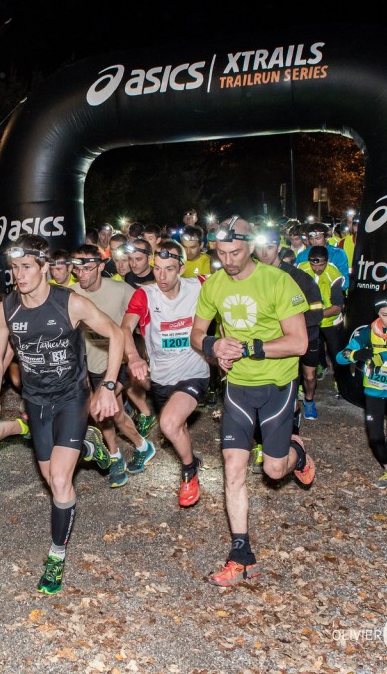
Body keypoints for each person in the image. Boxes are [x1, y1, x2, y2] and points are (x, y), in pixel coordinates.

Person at [0, 235, 127, 595]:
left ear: (45, 267)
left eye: (27, 267)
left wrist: (108, 385)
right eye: (15, 268)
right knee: (52, 479)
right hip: (35, 401)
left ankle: (55, 556)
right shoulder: (7, 308)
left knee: (61, 483)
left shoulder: (70, 303)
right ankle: (90, 450)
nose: (20, 275)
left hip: (71, 397)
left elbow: (115, 334)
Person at [190, 217, 315, 587]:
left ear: (251, 246)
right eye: (222, 253)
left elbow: (299, 343)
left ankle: (298, 454)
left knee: (274, 471)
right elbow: (197, 333)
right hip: (238, 388)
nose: (228, 260)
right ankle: (241, 554)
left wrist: (249, 347)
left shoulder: (278, 282)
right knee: (233, 468)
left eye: (236, 252)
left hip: (277, 385)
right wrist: (214, 347)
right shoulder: (213, 284)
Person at [121, 239, 208, 507]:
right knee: (177, 426)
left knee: (169, 423)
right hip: (161, 378)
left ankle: (189, 470)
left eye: (169, 269)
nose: (162, 276)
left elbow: (233, 283)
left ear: (182, 268)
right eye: (157, 268)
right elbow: (125, 329)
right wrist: (133, 356)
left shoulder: (201, 284)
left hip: (195, 371)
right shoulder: (145, 294)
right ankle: (190, 456)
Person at [69, 245, 151, 488]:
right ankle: (142, 446)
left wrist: (141, 355)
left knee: (98, 409)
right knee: (114, 414)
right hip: (92, 365)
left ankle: (114, 457)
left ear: (101, 267)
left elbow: (142, 319)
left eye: (87, 268)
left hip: (119, 363)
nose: (81, 273)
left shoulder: (121, 290)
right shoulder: (72, 294)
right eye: (77, 268)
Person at [253, 229, 324, 471]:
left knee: (291, 391)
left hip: (290, 345)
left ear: (279, 248)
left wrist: (289, 326)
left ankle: (290, 439)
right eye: (260, 247)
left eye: (270, 247)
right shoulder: (248, 276)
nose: (264, 253)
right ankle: (262, 445)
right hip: (259, 348)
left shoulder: (298, 278)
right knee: (258, 396)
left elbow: (316, 310)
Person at [336, 289, 387, 488]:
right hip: (374, 391)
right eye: (384, 314)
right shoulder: (367, 332)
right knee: (375, 437)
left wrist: (383, 356)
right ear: (377, 313)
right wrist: (355, 354)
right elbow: (341, 356)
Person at [300, 245, 346, 405]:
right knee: (303, 352)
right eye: (314, 264)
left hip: (330, 322)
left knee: (336, 354)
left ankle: (340, 385)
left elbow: (336, 307)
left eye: (321, 264)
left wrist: (313, 315)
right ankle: (301, 386)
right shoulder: (301, 269)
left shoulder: (335, 275)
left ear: (327, 261)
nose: (317, 268)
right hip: (308, 321)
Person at [295, 223, 349, 287]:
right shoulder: (303, 255)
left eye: (318, 238)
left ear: (326, 237)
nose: (314, 242)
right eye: (311, 239)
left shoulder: (337, 254)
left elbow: (345, 280)